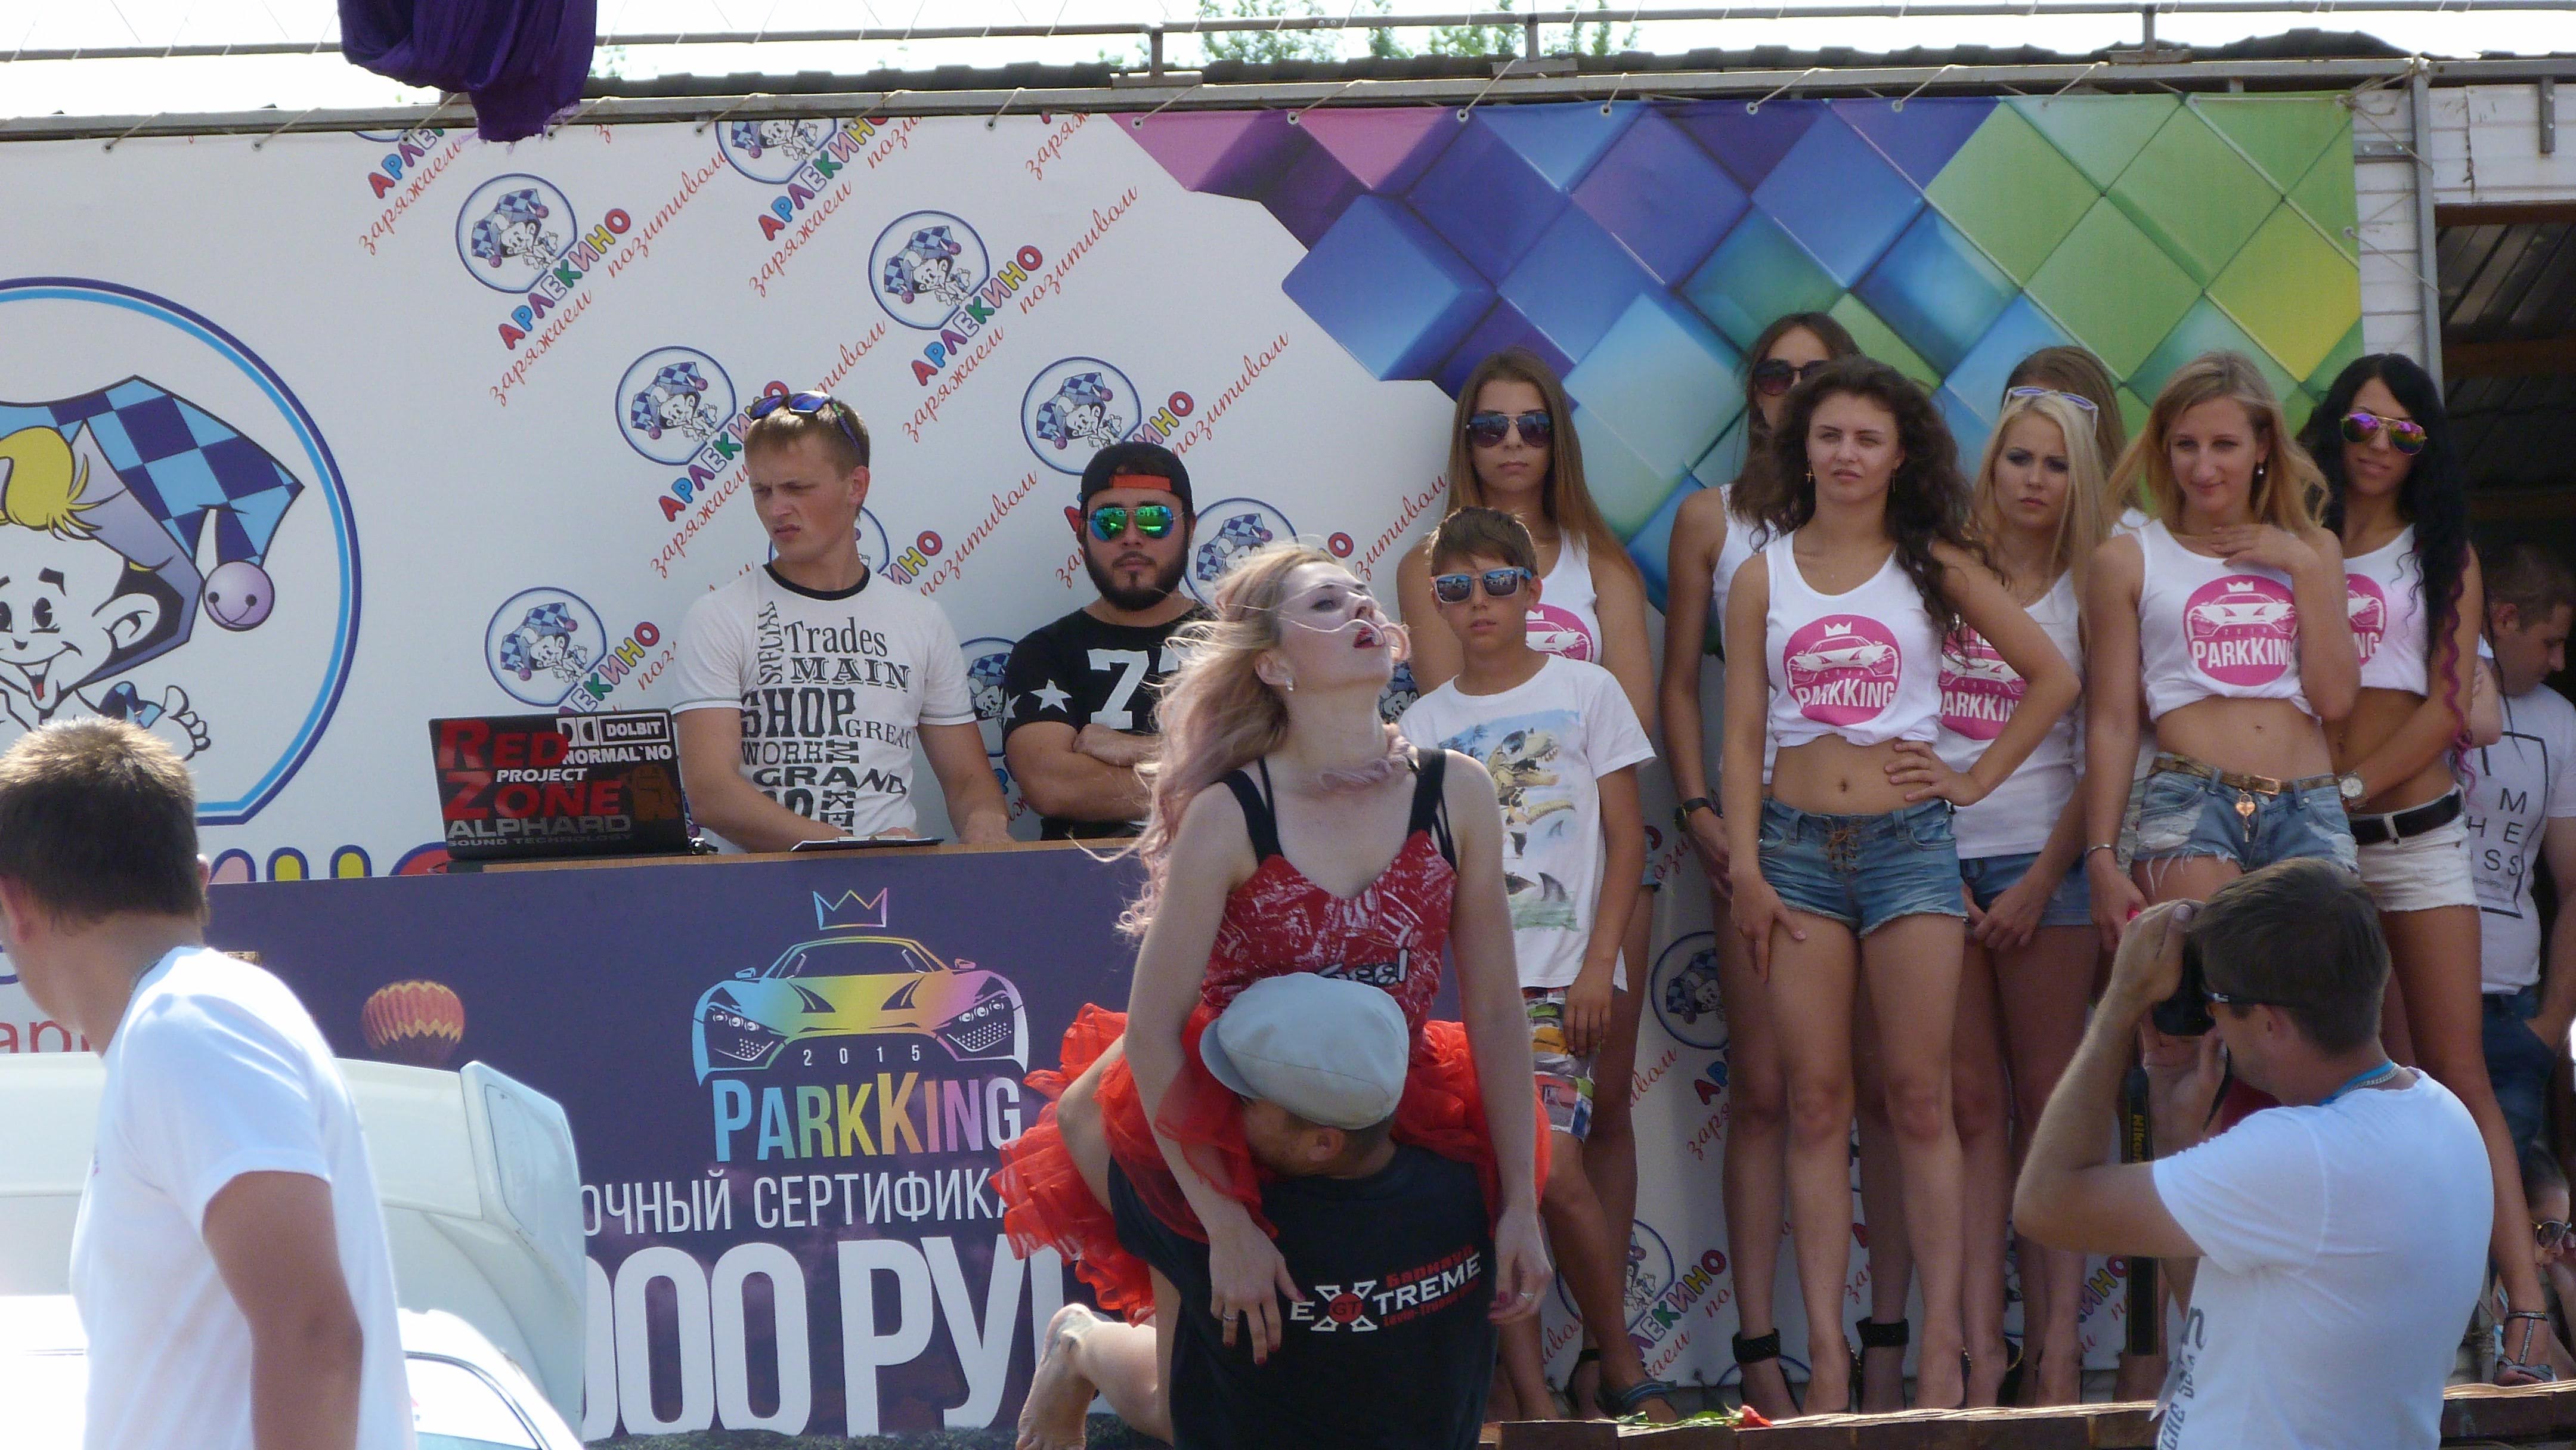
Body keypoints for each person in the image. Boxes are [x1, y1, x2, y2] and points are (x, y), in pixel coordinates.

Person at [996, 544, 1549, 1449]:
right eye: (1327, 604)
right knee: (1193, 1410)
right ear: (1274, 663)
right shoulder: (1230, 810)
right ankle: (1082, 1345)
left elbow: (1493, 1008)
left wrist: (1521, 1199)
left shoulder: (1460, 791)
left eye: (1363, 596)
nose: (1361, 608)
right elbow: (1154, 1033)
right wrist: (1225, 1222)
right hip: (1221, 1114)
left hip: (1388, 1091)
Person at [1722, 355, 2079, 1413]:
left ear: (1899, 456)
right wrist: (1744, 865)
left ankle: (1942, 1358)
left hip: (1911, 847)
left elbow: (2055, 677)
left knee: (1921, 1099)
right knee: (1816, 1100)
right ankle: (1831, 1362)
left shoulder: (1934, 562)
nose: (1847, 454)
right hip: (1793, 851)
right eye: (1829, 435)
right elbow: (1739, 737)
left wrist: (1971, 778)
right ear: (1803, 449)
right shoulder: (1762, 574)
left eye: (1868, 438)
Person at [0, 720, 411, 1450]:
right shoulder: (184, 1021)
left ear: (14, 903)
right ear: (199, 879)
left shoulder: (188, 1022)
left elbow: (314, 1334)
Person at [2016, 860, 2493, 1450]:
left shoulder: (2304, 1156)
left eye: (2215, 1002)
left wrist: (2119, 1003)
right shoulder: (2441, 1114)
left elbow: (2045, 1203)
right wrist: (2173, 1133)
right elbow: (2230, 1322)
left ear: (2269, 1022)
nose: (2209, 1019)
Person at [1397, 350, 1659, 1411]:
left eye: (1500, 583)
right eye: (1456, 589)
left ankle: (1622, 1366)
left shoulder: (1590, 691)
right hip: (1473, 993)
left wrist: (1600, 965)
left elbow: (1630, 840)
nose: (1479, 603)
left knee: (1556, 1171)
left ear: (1534, 593)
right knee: (1497, 1183)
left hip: (1566, 977)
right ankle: (1533, 1402)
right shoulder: (1420, 726)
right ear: (1434, 602)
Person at [2296, 354, 2549, 1383]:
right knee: (2369, 1089)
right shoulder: (2297, 538)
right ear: (2334, 427)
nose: (2380, 448)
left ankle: (2527, 1307)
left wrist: (2351, 789)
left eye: (2405, 433)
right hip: (2315, 845)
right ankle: (2410, 1321)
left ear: (2426, 449)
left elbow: (2450, 709)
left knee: (2459, 1075)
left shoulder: (2445, 552)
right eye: (2363, 425)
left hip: (2416, 835)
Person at [1020, 974, 1505, 1450]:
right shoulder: (1470, 1184)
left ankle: (1077, 1340)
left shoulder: (1227, 1228)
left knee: (1170, 1404)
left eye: (1242, 1098)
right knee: (1173, 1399)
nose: (1217, 1107)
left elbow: (1078, 1116)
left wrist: (1174, 1011)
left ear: (1322, 1143)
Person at [1657, 311, 1859, 1419]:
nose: (1792, 389)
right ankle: (1757, 1349)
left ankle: (1876, 1343)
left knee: (1882, 1095)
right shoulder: (1713, 517)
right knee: (1768, 1092)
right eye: (1775, 374)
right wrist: (1699, 809)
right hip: (1755, 833)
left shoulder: (1889, 518)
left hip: (1877, 838)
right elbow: (1679, 680)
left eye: (1815, 374)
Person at [1935, 389, 2111, 1405]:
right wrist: (1940, 861)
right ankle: (1976, 1352)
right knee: (1970, 1109)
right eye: (2019, 459)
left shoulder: (2093, 589)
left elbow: (2105, 751)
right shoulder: (1938, 575)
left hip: (2052, 870)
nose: (2036, 480)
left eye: (2056, 464)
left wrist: (2045, 880)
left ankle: (2056, 1354)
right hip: (1938, 869)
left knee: (2051, 1107)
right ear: (1990, 466)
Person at [671, 390, 1010, 849]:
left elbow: (969, 781)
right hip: (765, 884)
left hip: (893, 881)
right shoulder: (719, 616)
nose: (776, 509)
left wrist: (985, 824)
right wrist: (857, 848)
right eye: (762, 491)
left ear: (856, 486)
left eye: (797, 488)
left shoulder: (921, 620)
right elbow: (712, 794)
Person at [1003, 441, 1206, 839]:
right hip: (1082, 877)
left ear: (1190, 528)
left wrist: (1136, 750)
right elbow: (1053, 786)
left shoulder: (1241, 645)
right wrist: (1218, 774)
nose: (1131, 537)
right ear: (1081, 532)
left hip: (1224, 876)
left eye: (1154, 519)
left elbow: (1287, 767)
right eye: (1109, 521)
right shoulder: (1043, 653)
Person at [2468, 541, 2576, 1156]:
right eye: (2550, 642)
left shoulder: (2560, 721)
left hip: (2515, 1004)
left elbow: (2574, 882)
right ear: (2504, 618)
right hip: (2415, 997)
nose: (2559, 662)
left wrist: (2552, 1023)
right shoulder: (2424, 694)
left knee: (2506, 1188)